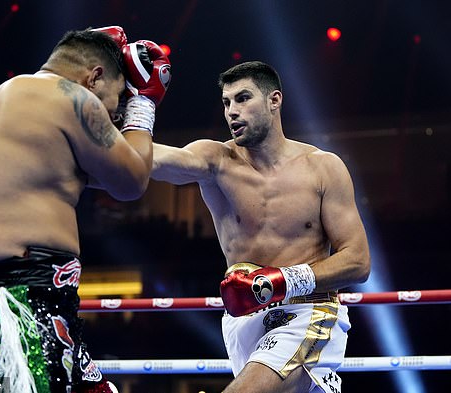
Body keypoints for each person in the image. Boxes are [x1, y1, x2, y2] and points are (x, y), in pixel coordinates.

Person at [0, 26, 171, 393]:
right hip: (18, 303)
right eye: (115, 103)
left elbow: (103, 171)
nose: (114, 119)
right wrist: (144, 104)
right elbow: (131, 182)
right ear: (94, 78)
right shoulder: (73, 98)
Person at [151, 61, 370, 393]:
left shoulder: (323, 168)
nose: (232, 112)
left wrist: (283, 281)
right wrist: (137, 106)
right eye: (226, 103)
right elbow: (148, 162)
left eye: (242, 98)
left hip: (307, 311)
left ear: (274, 100)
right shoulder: (216, 161)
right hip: (242, 321)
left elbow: (358, 261)